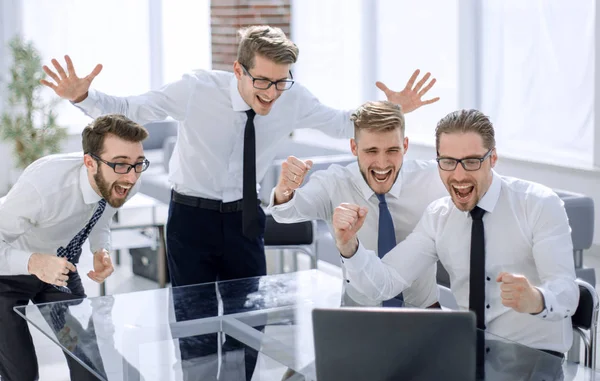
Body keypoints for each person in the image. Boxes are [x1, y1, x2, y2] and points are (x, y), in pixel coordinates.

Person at [40, 25, 439, 289]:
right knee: (192, 322)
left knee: (251, 320)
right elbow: (132, 108)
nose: (272, 92)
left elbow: (342, 123)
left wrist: (393, 111)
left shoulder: (292, 97)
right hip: (190, 219)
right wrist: (83, 97)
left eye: (281, 81)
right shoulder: (196, 88)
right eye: (262, 81)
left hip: (246, 220)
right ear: (238, 70)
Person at [333, 109, 578, 358]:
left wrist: (536, 299)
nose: (459, 175)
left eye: (471, 161)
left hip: (536, 358)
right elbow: (384, 282)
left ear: (493, 158)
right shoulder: (438, 217)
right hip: (469, 356)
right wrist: (349, 248)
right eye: (448, 162)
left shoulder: (538, 204)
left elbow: (568, 293)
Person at [0, 114, 149, 381]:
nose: (132, 176)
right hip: (6, 274)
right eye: (121, 164)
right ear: (90, 162)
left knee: (87, 357)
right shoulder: (44, 187)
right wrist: (34, 262)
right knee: (21, 374)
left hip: (58, 269)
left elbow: (104, 211)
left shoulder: (127, 180)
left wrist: (99, 248)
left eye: (138, 164)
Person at [268, 100, 446, 308]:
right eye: (371, 151)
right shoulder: (334, 183)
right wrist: (285, 191)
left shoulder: (432, 178)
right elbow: (286, 213)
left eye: (392, 150)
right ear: (354, 147)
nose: (382, 163)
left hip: (424, 312)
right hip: (358, 313)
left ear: (405, 146)